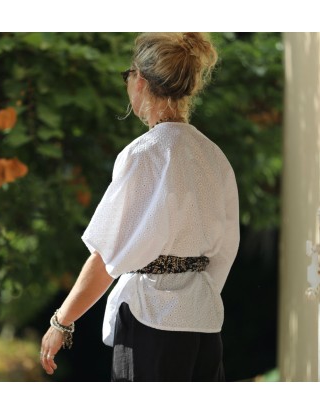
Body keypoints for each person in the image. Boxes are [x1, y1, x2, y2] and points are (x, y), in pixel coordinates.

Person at [40, 32, 240, 382]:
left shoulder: (144, 153)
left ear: (141, 82)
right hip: (204, 323)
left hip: (151, 323)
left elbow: (107, 256)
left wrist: (62, 320)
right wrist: (192, 291)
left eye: (127, 75)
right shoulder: (214, 156)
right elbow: (224, 253)